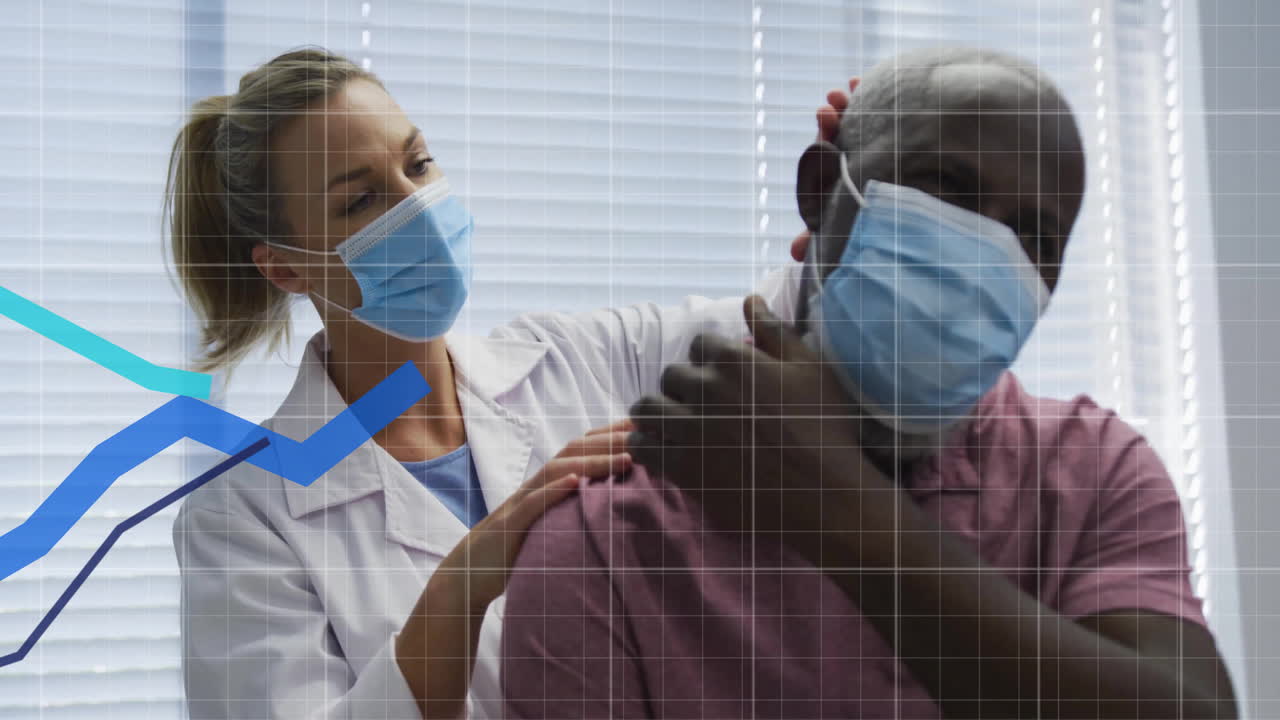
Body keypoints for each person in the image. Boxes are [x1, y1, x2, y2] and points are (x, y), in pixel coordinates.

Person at [501, 47, 1239, 719]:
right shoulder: (606, 544)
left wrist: (834, 498)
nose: (984, 254)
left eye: (1034, 238)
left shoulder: (1095, 473)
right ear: (822, 190)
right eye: (946, 190)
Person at [166, 47, 842, 719]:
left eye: (418, 164)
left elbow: (790, 317)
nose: (419, 208)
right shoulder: (244, 518)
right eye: (361, 200)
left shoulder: (574, 358)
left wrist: (859, 203)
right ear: (286, 268)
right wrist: (462, 583)